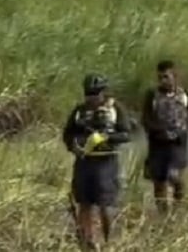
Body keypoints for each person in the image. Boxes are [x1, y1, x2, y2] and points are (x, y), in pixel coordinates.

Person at [61, 73, 131, 250]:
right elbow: (67, 134)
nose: (92, 98)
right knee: (84, 203)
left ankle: (110, 243)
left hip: (106, 163)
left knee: (105, 205)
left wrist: (106, 137)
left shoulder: (116, 109)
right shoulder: (79, 111)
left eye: (95, 94)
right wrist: (73, 146)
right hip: (84, 162)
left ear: (103, 93)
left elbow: (126, 134)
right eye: (88, 94)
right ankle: (88, 243)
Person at [141, 60, 188, 215]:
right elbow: (146, 118)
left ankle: (178, 205)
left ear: (175, 76)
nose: (163, 81)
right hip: (157, 143)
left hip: (178, 142)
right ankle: (163, 214)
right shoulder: (152, 96)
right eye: (160, 78)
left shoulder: (185, 96)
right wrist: (157, 130)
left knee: (174, 175)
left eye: (166, 77)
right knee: (159, 180)